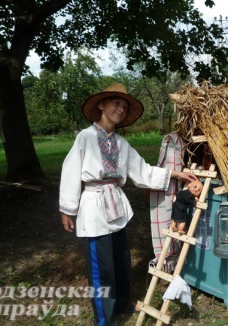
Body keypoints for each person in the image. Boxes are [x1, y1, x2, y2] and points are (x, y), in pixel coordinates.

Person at [59, 83, 197, 326]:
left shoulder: (121, 144)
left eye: (124, 106)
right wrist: (67, 209)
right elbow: (70, 172)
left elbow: (143, 171)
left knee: (121, 260)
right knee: (102, 268)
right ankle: (104, 318)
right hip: (93, 207)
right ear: (102, 105)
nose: (121, 109)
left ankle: (121, 303)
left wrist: (177, 175)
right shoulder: (86, 137)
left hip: (115, 206)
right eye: (116, 103)